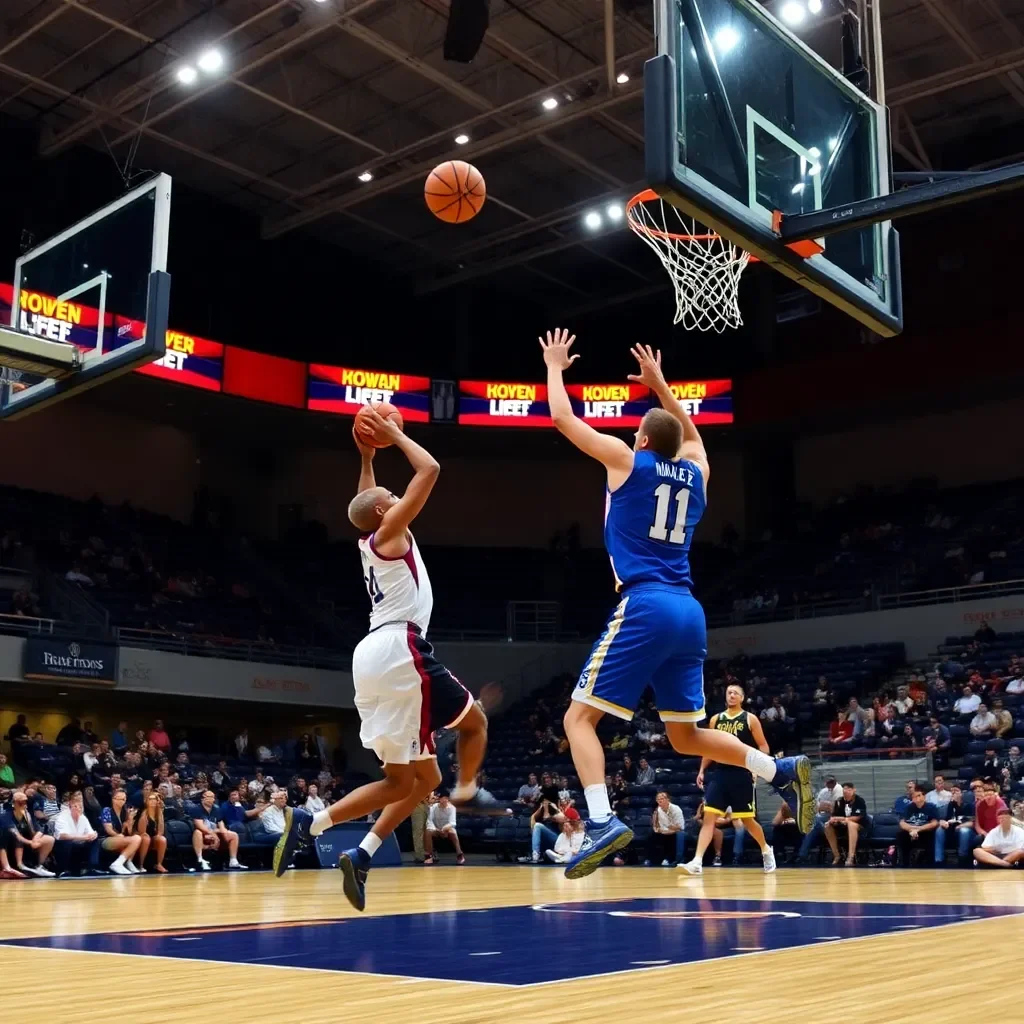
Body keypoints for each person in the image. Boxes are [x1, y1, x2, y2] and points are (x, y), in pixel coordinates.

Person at [541, 334, 811, 878]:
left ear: (640, 438)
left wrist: (553, 366)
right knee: (685, 735)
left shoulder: (626, 460)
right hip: (689, 609)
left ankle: (599, 820)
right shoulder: (698, 476)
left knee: (578, 718)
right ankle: (776, 769)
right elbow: (692, 439)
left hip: (646, 602)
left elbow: (564, 420)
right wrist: (661, 385)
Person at [273, 413, 495, 911]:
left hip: (373, 654)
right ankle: (468, 788)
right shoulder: (389, 531)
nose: (397, 497)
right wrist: (396, 437)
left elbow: (364, 502)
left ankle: (357, 851)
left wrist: (368, 458)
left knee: (414, 781)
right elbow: (431, 469)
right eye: (391, 497)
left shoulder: (369, 538)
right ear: (383, 513)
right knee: (475, 723)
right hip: (401, 649)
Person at [681, 682, 776, 874]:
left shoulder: (750, 719)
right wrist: (701, 770)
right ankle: (697, 862)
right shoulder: (716, 719)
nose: (731, 695)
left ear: (742, 698)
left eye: (735, 693)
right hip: (720, 774)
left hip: (742, 773)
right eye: (728, 692)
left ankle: (766, 850)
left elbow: (764, 746)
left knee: (748, 821)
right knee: (709, 818)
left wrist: (757, 766)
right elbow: (709, 747)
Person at [4, 790, 55, 877]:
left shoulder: (27, 814)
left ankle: (39, 866)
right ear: (14, 803)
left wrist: (36, 838)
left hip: (27, 841)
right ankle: (20, 866)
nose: (25, 804)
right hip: (11, 844)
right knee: (18, 839)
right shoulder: (7, 815)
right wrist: (31, 842)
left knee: (49, 839)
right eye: (21, 802)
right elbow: (16, 834)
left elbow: (35, 830)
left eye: (25, 801)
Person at [53, 792, 104, 877]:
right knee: (67, 842)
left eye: (81, 807)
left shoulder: (83, 818)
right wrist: (84, 837)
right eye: (75, 806)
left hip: (79, 844)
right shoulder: (62, 817)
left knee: (95, 840)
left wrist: (93, 835)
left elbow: (90, 832)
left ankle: (92, 868)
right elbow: (63, 835)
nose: (78, 809)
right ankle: (64, 869)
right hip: (63, 845)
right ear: (70, 807)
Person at [823, 782, 868, 866]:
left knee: (851, 824)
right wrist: (833, 820)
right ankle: (837, 855)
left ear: (854, 790)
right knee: (827, 826)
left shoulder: (859, 801)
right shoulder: (839, 801)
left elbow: (857, 818)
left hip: (858, 826)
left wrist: (842, 819)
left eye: (849, 789)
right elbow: (834, 816)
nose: (846, 791)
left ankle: (850, 857)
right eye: (845, 789)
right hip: (841, 826)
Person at [100, 789, 142, 874]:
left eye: (125, 799)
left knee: (137, 837)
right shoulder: (107, 810)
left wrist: (130, 820)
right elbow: (108, 829)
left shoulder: (125, 812)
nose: (124, 801)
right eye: (121, 799)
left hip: (120, 838)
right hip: (106, 839)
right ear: (114, 799)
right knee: (136, 839)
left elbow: (129, 832)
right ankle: (118, 864)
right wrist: (117, 835)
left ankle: (127, 862)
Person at [897, 787, 939, 866]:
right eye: (914, 796)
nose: (916, 798)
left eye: (918, 795)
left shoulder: (931, 807)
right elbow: (902, 823)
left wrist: (918, 830)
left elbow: (934, 823)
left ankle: (929, 864)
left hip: (924, 831)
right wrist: (911, 830)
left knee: (931, 835)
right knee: (901, 835)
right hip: (911, 831)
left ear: (924, 796)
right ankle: (904, 864)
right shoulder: (908, 808)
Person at [647, 791, 686, 866]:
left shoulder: (676, 809)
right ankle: (650, 860)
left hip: (676, 831)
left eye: (662, 798)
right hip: (664, 831)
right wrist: (659, 829)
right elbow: (657, 826)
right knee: (651, 835)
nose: (660, 800)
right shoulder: (658, 810)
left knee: (673, 836)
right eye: (658, 799)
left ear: (668, 800)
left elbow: (680, 827)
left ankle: (672, 859)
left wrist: (669, 829)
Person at [423, 793, 464, 865]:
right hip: (436, 830)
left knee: (453, 832)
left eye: (446, 798)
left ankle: (459, 854)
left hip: (446, 830)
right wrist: (436, 829)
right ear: (439, 799)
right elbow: (429, 821)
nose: (445, 800)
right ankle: (429, 856)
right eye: (443, 798)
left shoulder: (452, 808)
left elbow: (452, 823)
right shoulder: (433, 807)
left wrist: (444, 829)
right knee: (427, 831)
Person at [135, 791, 168, 873]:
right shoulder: (143, 813)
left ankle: (159, 864)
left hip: (152, 837)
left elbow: (161, 830)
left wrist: (158, 836)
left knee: (162, 839)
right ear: (147, 801)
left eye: (155, 799)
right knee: (146, 838)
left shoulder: (159, 812)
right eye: (150, 799)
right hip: (141, 836)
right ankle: (141, 865)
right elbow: (141, 831)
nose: (153, 801)